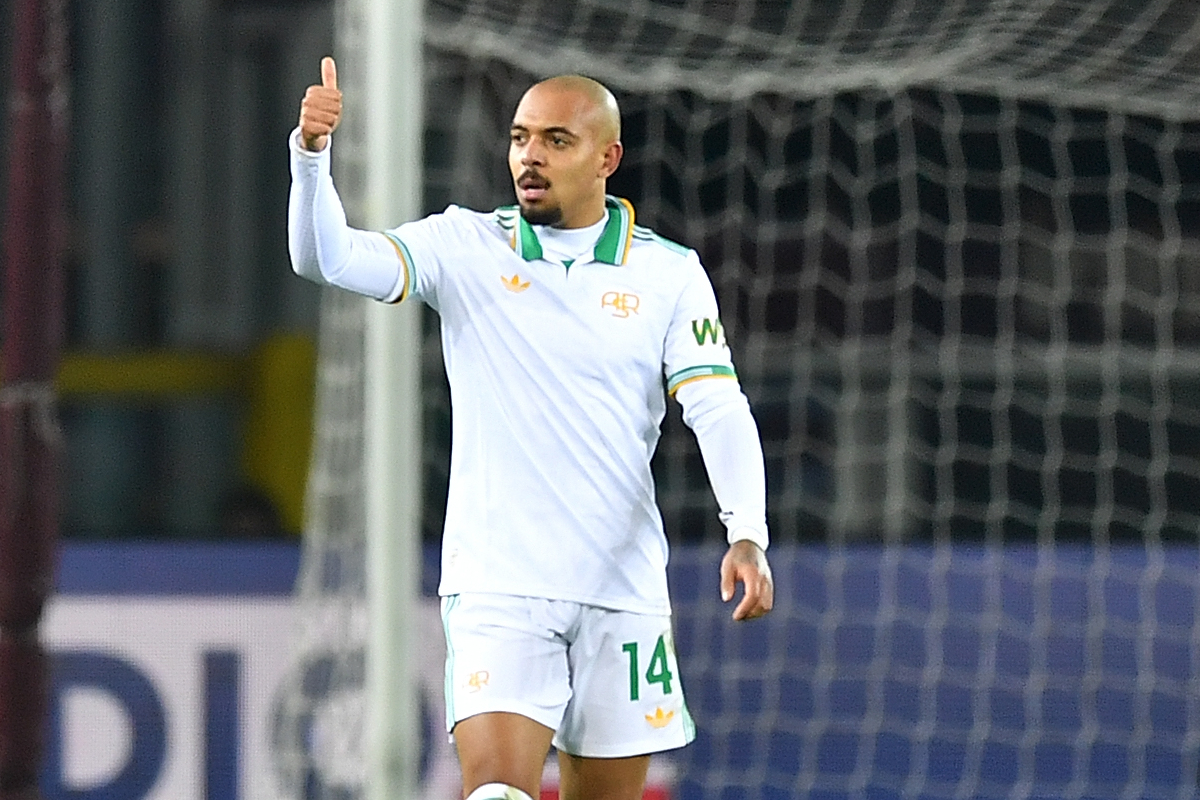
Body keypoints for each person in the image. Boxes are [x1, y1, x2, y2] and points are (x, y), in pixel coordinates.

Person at [288, 56, 774, 800]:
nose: (530, 157)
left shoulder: (668, 274)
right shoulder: (465, 247)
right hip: (498, 584)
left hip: (622, 588)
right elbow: (329, 258)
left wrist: (748, 531)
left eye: (555, 140)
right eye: (520, 139)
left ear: (607, 157)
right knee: (495, 793)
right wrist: (312, 160)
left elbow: (715, 406)